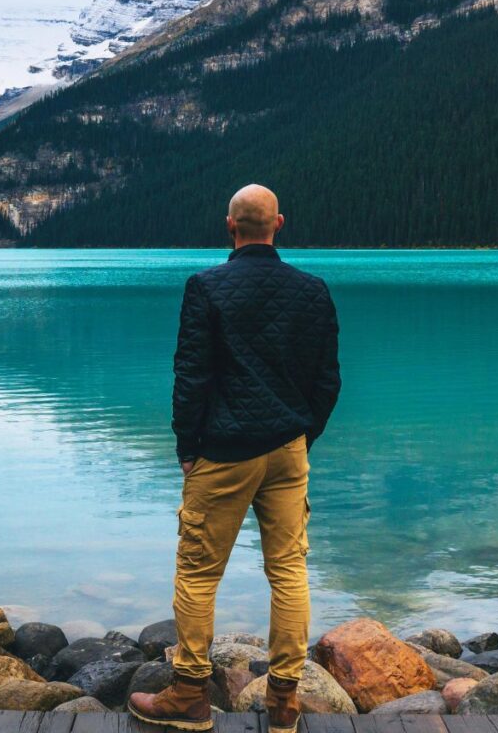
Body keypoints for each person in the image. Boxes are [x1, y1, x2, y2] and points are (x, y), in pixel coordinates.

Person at [128, 185, 342, 733]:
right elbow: (327, 381)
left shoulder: (206, 287)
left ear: (230, 226)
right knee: (289, 570)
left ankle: (190, 696)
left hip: (222, 453)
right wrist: (301, 436)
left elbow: (191, 376)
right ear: (280, 225)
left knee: (199, 573)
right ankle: (285, 704)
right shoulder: (313, 291)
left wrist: (187, 447)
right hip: (287, 451)